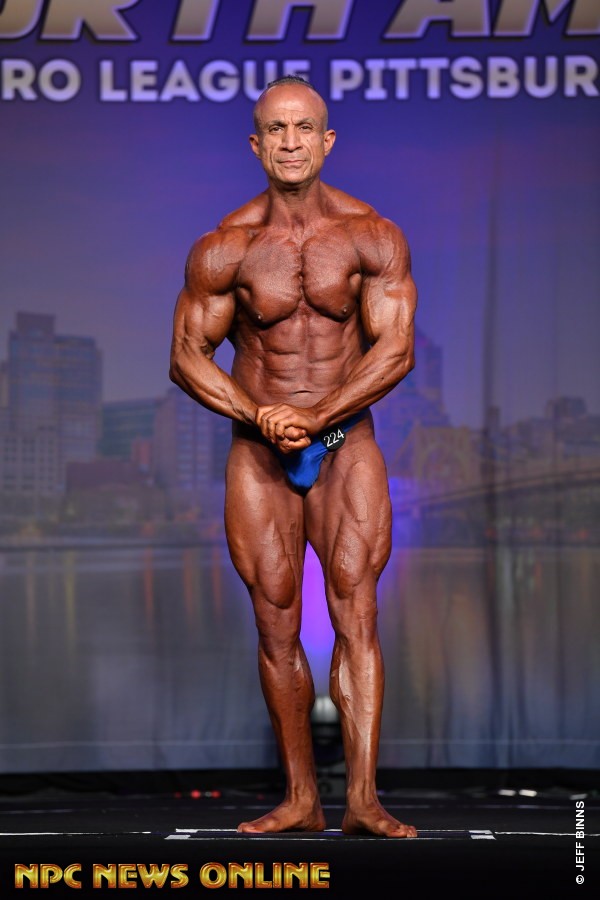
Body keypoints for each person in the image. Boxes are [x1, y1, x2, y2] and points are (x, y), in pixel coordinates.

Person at [169, 76, 418, 838]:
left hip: (344, 444)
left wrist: (317, 415)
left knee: (357, 613)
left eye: (303, 127)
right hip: (260, 450)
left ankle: (363, 799)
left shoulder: (372, 235)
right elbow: (186, 357)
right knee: (275, 622)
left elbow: (396, 349)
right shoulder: (226, 246)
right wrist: (260, 415)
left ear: (326, 140)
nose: (289, 142)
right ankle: (302, 798)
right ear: (256, 145)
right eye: (275, 130)